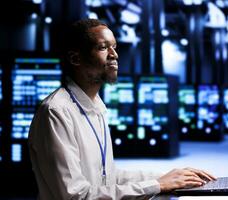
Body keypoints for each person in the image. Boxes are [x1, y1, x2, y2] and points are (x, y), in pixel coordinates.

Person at [28, 18, 216, 199]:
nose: (114, 54)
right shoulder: (56, 112)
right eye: (103, 48)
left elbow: (107, 178)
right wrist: (158, 185)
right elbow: (76, 196)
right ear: (76, 58)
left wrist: (170, 176)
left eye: (114, 47)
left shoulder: (97, 107)